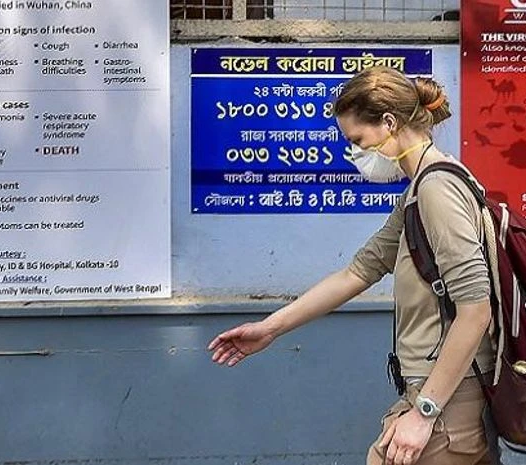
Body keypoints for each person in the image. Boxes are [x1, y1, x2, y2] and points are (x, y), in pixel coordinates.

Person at [208, 66, 497, 465]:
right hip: (446, 392)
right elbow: (357, 273)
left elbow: (475, 311)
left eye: (358, 140)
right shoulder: (422, 189)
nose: (355, 153)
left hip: (449, 398)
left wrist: (425, 412)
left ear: (389, 123)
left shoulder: (436, 189)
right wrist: (269, 329)